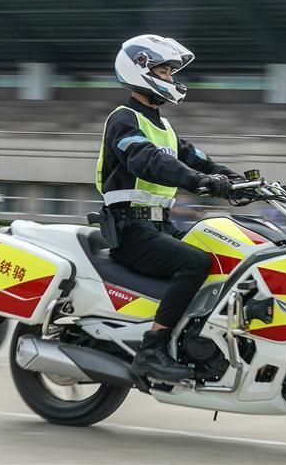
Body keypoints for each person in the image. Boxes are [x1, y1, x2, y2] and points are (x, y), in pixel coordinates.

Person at [96, 34, 239, 381]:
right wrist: (197, 181)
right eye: (164, 70)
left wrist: (238, 182)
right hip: (130, 229)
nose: (172, 78)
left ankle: (197, 340)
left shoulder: (166, 128)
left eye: (172, 71)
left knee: (224, 254)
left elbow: (200, 160)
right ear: (140, 70)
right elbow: (148, 160)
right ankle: (152, 349)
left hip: (159, 226)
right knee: (196, 263)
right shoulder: (124, 119)